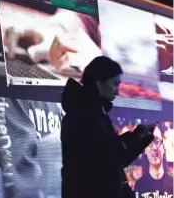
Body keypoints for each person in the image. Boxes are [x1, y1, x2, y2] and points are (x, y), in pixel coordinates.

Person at [61, 56, 155, 198]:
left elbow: (113, 160)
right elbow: (103, 161)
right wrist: (133, 139)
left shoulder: (93, 114)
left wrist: (139, 138)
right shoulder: (82, 116)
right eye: (115, 84)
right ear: (99, 83)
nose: (117, 91)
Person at [134, 125, 173, 196]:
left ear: (163, 147)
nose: (154, 148)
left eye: (157, 141)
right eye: (149, 143)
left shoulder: (172, 184)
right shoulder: (139, 186)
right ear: (145, 150)